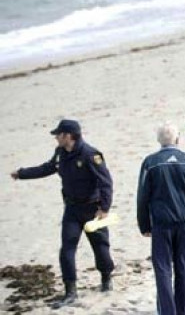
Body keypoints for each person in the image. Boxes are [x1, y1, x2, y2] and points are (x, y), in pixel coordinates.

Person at [9, 119, 115, 309]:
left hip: (93, 209)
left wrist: (104, 208)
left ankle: (106, 278)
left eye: (58, 135)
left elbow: (105, 182)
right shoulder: (61, 153)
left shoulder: (91, 154)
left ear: (68, 136)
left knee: (100, 248)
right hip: (72, 209)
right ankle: (70, 290)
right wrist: (22, 174)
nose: (56, 138)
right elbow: (48, 168)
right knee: (67, 248)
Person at [137, 123, 185, 315]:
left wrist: (144, 224)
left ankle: (167, 312)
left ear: (159, 140)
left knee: (163, 272)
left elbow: (143, 196)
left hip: (162, 225)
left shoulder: (150, 163)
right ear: (177, 139)